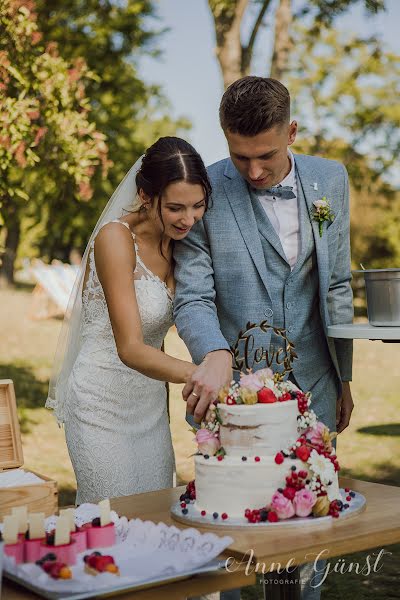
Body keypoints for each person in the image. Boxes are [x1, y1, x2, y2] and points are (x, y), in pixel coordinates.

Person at [173, 77, 354, 600]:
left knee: (310, 532)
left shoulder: (331, 180)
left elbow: (336, 284)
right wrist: (213, 353)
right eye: (239, 156)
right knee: (238, 551)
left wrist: (344, 377)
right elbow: (193, 296)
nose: (253, 171)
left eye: (267, 156)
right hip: (238, 402)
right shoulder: (204, 189)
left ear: (292, 131)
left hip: (317, 383)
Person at [46, 137, 211, 504]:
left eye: (198, 206)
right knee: (113, 521)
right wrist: (199, 375)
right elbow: (131, 347)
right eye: (175, 207)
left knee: (155, 517)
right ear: (145, 195)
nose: (189, 219)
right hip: (99, 405)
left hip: (149, 406)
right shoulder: (115, 239)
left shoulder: (183, 242)